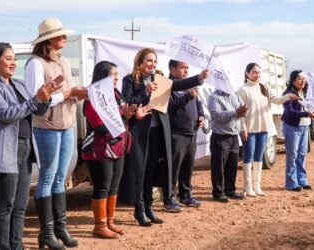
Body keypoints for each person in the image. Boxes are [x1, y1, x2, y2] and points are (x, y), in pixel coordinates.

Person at [0, 42, 58, 250]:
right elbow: (7, 114)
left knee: (20, 207)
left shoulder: (18, 84)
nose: (13, 62)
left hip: (25, 150)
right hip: (3, 155)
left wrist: (45, 97)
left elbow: (36, 110)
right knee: (5, 208)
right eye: (8, 58)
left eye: (14, 59)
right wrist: (35, 99)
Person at [118, 48, 208, 227]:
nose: (152, 64)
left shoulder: (158, 79)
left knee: (151, 170)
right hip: (140, 132)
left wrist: (199, 78)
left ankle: (149, 207)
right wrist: (145, 90)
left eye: (154, 61)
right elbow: (127, 102)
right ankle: (139, 208)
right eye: (149, 61)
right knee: (140, 171)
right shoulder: (130, 80)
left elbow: (177, 85)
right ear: (140, 62)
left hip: (158, 130)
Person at [24, 18, 87, 249]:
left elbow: (65, 93)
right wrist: (70, 92)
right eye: (60, 35)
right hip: (46, 127)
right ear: (48, 39)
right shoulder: (35, 64)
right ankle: (47, 233)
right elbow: (37, 100)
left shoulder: (63, 61)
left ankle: (60, 229)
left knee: (61, 178)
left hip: (66, 125)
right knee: (48, 178)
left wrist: (77, 94)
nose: (65, 38)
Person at [82, 61, 151, 239]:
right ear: (103, 76)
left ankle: (110, 222)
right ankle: (99, 226)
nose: (117, 78)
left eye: (117, 74)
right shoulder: (91, 96)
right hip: (99, 148)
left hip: (118, 146)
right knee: (102, 186)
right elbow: (98, 124)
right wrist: (121, 119)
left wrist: (130, 115)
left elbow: (123, 119)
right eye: (113, 74)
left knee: (114, 185)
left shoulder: (116, 94)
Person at [238, 63, 297, 197]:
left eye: (259, 72)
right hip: (250, 128)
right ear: (247, 73)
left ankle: (257, 186)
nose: (257, 74)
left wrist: (288, 97)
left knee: (259, 157)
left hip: (264, 128)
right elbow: (241, 112)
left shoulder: (264, 87)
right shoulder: (243, 90)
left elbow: (275, 100)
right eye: (254, 72)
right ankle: (247, 187)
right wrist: (243, 129)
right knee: (248, 157)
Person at [166, 60, 204, 210]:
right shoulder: (169, 85)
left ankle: (186, 196)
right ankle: (169, 199)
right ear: (173, 69)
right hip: (177, 133)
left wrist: (201, 116)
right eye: (182, 67)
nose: (186, 70)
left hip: (192, 132)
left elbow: (198, 104)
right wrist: (187, 96)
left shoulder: (190, 84)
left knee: (188, 167)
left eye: (187, 67)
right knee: (173, 169)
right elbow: (169, 108)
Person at [207, 88, 247, 202]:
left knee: (232, 166)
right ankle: (218, 193)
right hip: (220, 136)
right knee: (218, 167)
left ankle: (230, 190)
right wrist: (236, 112)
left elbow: (240, 112)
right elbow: (217, 116)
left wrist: (243, 111)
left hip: (234, 135)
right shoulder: (214, 97)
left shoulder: (234, 95)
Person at [282, 70, 314, 191]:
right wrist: (306, 114)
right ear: (293, 81)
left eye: (303, 79)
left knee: (302, 154)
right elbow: (290, 112)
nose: (302, 81)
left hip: (304, 126)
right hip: (292, 127)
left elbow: (309, 108)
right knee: (292, 155)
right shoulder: (288, 94)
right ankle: (291, 184)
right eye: (299, 79)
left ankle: (302, 181)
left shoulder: (306, 93)